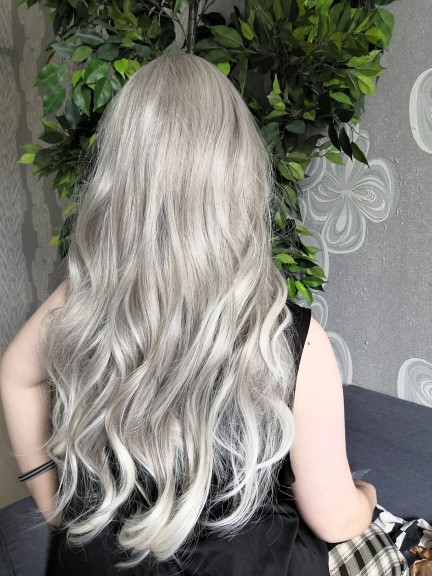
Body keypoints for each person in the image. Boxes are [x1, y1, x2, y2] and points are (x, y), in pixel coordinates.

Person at [1, 53, 382, 575]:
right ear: (240, 178)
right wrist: (366, 496)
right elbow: (335, 519)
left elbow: (15, 376)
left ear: (120, 176)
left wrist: (56, 506)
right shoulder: (290, 339)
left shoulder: (81, 299)